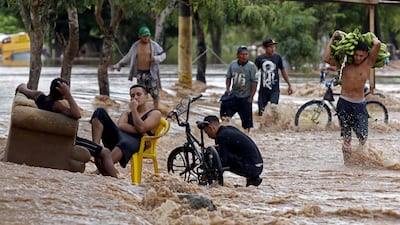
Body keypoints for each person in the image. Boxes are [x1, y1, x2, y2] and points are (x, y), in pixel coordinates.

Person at [15, 78, 117, 177]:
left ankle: (105, 177)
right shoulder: (56, 106)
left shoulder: (39, 96)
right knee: (105, 152)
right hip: (68, 140)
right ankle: (115, 180)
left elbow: (22, 88)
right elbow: (77, 114)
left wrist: (22, 87)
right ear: (61, 92)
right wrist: (68, 95)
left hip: (53, 139)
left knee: (98, 152)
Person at [323, 30, 381, 161]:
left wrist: (370, 37)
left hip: (359, 105)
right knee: (347, 138)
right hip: (344, 103)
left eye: (361, 55)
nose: (358, 58)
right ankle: (348, 166)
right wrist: (333, 38)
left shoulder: (368, 63)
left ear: (366, 55)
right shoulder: (344, 63)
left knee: (363, 138)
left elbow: (377, 44)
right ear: (352, 53)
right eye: (356, 55)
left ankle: (362, 161)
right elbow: (326, 58)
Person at [90, 84, 161, 173]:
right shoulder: (127, 114)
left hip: (138, 142)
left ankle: (101, 170)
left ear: (146, 97)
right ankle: (96, 151)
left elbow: (141, 127)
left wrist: (134, 110)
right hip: (120, 136)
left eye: (139, 94)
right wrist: (141, 131)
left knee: (125, 143)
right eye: (132, 96)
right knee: (99, 112)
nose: (135, 98)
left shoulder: (154, 113)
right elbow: (121, 125)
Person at [112, 26, 166, 109]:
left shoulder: (154, 45)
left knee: (155, 95)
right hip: (140, 74)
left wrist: (156, 59)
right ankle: (142, 111)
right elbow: (128, 58)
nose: (146, 38)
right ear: (139, 36)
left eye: (148, 36)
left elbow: (163, 55)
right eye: (144, 36)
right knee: (140, 95)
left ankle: (156, 111)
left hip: (151, 74)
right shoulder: (135, 46)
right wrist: (117, 65)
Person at [203, 115, 263, 187]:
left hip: (252, 168)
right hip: (258, 165)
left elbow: (222, 161)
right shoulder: (229, 129)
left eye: (207, 133)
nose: (208, 136)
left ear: (211, 128)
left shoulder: (221, 137)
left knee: (219, 158)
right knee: (221, 153)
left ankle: (216, 185)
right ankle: (253, 179)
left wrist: (210, 172)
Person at [220, 45, 258, 132]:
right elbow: (228, 77)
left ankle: (247, 135)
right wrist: (227, 89)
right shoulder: (233, 65)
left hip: (245, 97)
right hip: (234, 95)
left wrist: (251, 97)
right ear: (238, 55)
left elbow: (254, 82)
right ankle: (226, 131)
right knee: (225, 113)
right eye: (242, 54)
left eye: (246, 54)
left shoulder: (251, 66)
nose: (244, 56)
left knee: (247, 124)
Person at [255, 38, 293, 116]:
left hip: (274, 90)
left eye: (274, 47)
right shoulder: (259, 59)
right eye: (270, 47)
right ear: (265, 48)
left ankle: (274, 125)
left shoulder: (277, 57)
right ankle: (262, 127)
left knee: (274, 108)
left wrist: (289, 85)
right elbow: (254, 73)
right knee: (261, 112)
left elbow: (283, 71)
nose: (273, 49)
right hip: (263, 90)